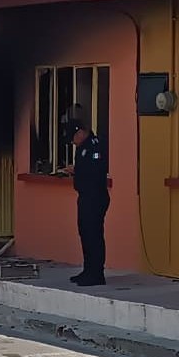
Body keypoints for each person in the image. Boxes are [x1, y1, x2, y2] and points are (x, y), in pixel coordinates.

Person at [63, 119, 110, 286]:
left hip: (95, 197)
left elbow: (96, 171)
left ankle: (96, 273)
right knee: (85, 233)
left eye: (73, 138)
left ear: (80, 132)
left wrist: (77, 170)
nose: (72, 142)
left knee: (93, 234)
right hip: (85, 196)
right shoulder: (82, 148)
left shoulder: (94, 146)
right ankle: (88, 269)